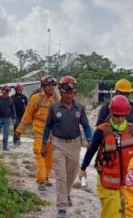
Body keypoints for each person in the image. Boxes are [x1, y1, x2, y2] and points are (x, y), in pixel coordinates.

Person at [78, 95, 133, 218]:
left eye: (123, 116)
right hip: (107, 180)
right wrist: (83, 169)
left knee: (126, 212)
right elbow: (91, 149)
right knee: (112, 213)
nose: (120, 118)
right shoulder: (102, 130)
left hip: (127, 181)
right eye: (116, 115)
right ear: (111, 113)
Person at [42, 75, 92, 218]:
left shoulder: (80, 108)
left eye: (72, 92)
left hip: (75, 145)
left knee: (71, 175)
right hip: (58, 144)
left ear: (75, 93)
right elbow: (48, 126)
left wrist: (90, 140)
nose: (69, 95)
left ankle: (67, 194)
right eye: (66, 92)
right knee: (61, 177)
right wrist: (44, 143)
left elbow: (86, 126)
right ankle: (62, 207)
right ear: (61, 92)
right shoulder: (54, 107)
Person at [16, 75, 59, 191]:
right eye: (48, 85)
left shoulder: (57, 100)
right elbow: (27, 115)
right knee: (40, 154)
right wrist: (20, 129)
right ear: (43, 86)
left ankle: (46, 177)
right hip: (39, 131)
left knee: (49, 157)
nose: (51, 88)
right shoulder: (36, 99)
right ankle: (41, 181)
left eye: (53, 86)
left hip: (52, 133)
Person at [0, 85, 16, 151]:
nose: (6, 92)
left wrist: (14, 118)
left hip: (7, 119)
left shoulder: (10, 100)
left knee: (6, 133)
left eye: (8, 91)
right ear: (2, 91)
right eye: (5, 91)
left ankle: (5, 147)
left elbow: (13, 110)